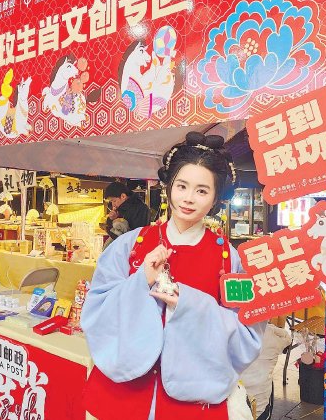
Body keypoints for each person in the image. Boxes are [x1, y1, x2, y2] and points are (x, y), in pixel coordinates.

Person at [81, 132, 265, 420]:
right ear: (168, 186)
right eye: (181, 186)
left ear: (217, 197)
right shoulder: (130, 245)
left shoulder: (230, 259)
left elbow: (247, 335)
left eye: (202, 191)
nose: (188, 198)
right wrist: (141, 280)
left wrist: (190, 305)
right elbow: (95, 312)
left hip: (192, 400)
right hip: (121, 394)